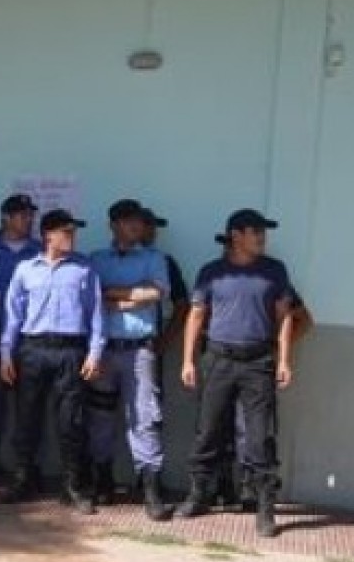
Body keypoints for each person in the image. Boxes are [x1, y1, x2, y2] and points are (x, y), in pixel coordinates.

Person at [180, 209, 296, 537]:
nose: (262, 237)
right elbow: (195, 317)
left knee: (260, 437)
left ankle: (264, 507)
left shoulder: (274, 270)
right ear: (235, 235)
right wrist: (188, 361)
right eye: (255, 231)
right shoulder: (212, 272)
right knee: (208, 430)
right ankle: (199, 493)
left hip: (257, 362)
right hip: (218, 359)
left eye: (263, 231)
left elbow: (285, 316)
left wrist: (284, 360)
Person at [0, 209, 104, 513]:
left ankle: (72, 485)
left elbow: (96, 314)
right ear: (48, 236)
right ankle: (23, 478)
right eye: (66, 232)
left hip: (70, 350)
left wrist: (95, 353)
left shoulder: (85, 269)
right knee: (26, 417)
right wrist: (6, 353)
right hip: (32, 349)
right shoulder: (25, 269)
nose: (71, 237)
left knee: (70, 420)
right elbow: (12, 316)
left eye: (73, 232)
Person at [211, 231, 313, 511]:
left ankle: (250, 488)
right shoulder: (218, 280)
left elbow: (302, 319)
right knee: (216, 424)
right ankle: (220, 486)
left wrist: (278, 352)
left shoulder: (270, 279)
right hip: (221, 362)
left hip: (257, 362)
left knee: (252, 430)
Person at [85, 199, 172, 520]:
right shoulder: (96, 259)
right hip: (103, 349)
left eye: (139, 221)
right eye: (130, 222)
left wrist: (112, 296)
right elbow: (91, 297)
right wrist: (130, 295)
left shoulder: (154, 258)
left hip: (139, 350)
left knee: (144, 417)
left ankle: (151, 488)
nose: (137, 227)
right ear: (114, 225)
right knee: (100, 417)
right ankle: (102, 479)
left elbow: (154, 293)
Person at [0, 194, 43, 478]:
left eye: (30, 215)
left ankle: (24, 467)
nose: (28, 220)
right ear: (5, 217)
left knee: (28, 405)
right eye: (22, 215)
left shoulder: (39, 252)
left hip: (28, 340)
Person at [139, 207, 190, 354]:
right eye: (147, 225)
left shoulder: (165, 261)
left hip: (158, 331)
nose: (153, 231)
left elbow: (182, 304)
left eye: (154, 226)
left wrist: (165, 339)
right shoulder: (113, 260)